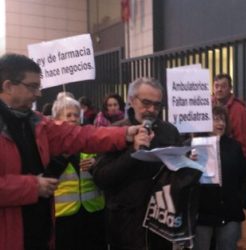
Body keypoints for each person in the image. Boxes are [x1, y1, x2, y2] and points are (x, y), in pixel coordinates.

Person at [0, 53, 138, 250]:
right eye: (32, 86)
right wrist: (32, 187)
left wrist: (124, 134)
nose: (38, 94)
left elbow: (80, 136)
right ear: (7, 86)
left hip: (40, 234)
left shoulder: (36, 122)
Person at [93, 77, 181, 250]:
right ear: (132, 100)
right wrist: (133, 152)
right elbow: (101, 178)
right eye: (146, 103)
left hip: (161, 225)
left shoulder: (169, 131)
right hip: (126, 227)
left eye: (157, 105)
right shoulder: (114, 132)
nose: (152, 110)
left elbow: (178, 174)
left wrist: (187, 165)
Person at [49, 95, 107, 250]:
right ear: (56, 119)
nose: (73, 119)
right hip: (64, 216)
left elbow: (106, 165)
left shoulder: (89, 140)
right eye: (68, 115)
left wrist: (97, 163)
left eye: (76, 115)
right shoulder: (50, 145)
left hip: (93, 212)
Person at [192, 106, 246, 250]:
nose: (221, 123)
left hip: (229, 214)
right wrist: (189, 163)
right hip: (202, 217)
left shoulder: (234, 147)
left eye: (223, 119)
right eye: (215, 119)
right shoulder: (193, 147)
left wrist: (242, 200)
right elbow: (184, 181)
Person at [212, 74, 246, 158]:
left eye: (223, 86)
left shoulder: (239, 110)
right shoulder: (206, 105)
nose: (219, 89)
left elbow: (244, 144)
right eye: (216, 86)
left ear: (230, 88)